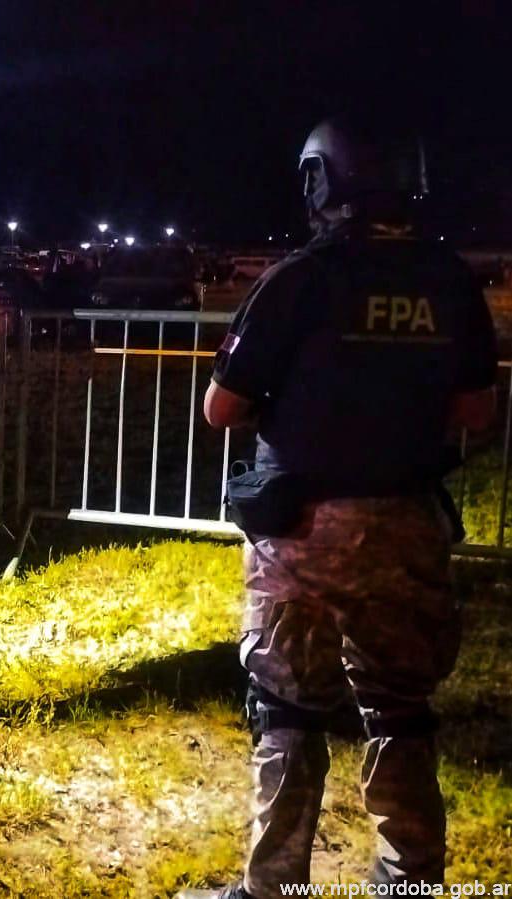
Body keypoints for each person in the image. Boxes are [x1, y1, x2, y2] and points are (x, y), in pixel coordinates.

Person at [182, 118, 498, 899]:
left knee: (285, 709)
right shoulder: (448, 279)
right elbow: (475, 410)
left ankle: (273, 887)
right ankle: (411, 882)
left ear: (321, 180)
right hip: (406, 527)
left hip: (303, 532)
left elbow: (220, 408)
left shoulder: (301, 278)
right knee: (400, 710)